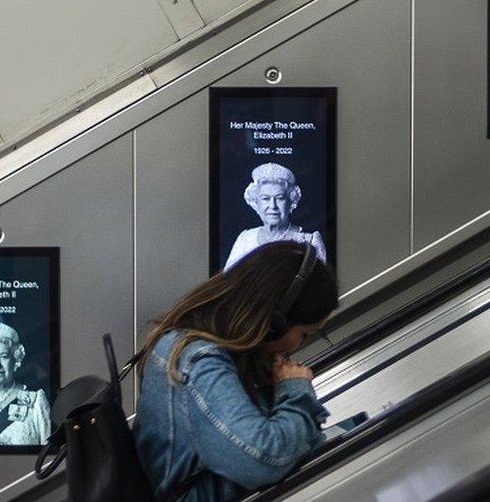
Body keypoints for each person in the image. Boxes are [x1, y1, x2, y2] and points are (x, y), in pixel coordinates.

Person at [133, 242, 338, 500]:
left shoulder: (222, 352)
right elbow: (261, 461)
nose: (299, 346)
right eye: (304, 334)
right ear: (274, 323)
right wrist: (296, 391)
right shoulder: (199, 362)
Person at [224, 163, 328, 270]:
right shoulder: (245, 239)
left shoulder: (310, 242)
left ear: (291, 202)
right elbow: (227, 282)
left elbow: (321, 284)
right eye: (265, 199)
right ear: (256, 204)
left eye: (279, 198)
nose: (272, 206)